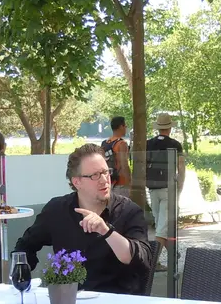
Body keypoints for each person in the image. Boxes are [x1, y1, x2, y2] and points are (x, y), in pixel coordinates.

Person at [13, 143, 153, 294]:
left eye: (106, 172)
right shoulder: (57, 210)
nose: (104, 180)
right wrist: (21, 275)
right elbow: (26, 246)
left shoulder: (128, 211)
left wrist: (106, 231)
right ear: (76, 182)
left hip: (116, 302)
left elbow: (143, 262)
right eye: (95, 175)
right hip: (68, 302)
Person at [146, 112, 185, 270]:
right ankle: (153, 262)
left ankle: (172, 253)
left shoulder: (148, 144)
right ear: (169, 128)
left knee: (161, 225)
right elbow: (180, 167)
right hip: (168, 188)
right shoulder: (175, 145)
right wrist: (180, 186)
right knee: (163, 228)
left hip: (152, 189)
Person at [102, 116, 131, 196]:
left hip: (109, 181)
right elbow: (124, 164)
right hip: (121, 182)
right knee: (122, 207)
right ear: (121, 126)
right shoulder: (121, 144)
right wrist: (129, 182)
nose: (126, 128)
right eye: (125, 126)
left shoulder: (105, 143)